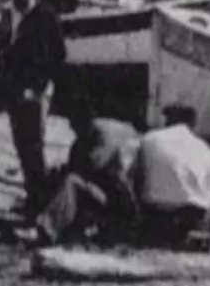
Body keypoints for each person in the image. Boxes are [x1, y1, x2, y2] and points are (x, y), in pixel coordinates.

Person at [0, 0, 66, 215]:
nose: (19, 1)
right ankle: (32, 195)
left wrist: (42, 86)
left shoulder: (45, 17)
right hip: (14, 91)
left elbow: (58, 54)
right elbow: (2, 51)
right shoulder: (7, 15)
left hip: (36, 90)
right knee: (21, 145)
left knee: (34, 144)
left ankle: (39, 200)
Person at [30, 103, 139, 247]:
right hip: (134, 199)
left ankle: (48, 228)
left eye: (72, 124)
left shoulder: (99, 134)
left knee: (71, 182)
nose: (71, 129)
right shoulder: (124, 129)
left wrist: (65, 171)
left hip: (120, 204)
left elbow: (93, 166)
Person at [130, 104, 210, 246]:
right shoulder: (204, 148)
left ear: (167, 120)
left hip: (158, 215)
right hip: (196, 216)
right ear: (193, 123)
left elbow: (133, 175)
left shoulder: (150, 139)